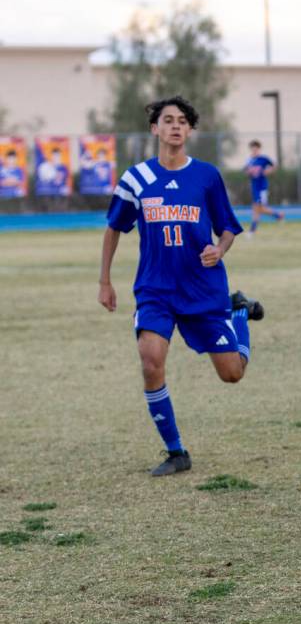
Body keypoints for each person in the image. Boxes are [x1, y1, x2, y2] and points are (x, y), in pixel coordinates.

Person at [98, 95, 264, 476]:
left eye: (182, 121)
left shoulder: (206, 176)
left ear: (189, 130)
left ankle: (238, 311)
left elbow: (227, 228)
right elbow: (113, 228)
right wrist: (105, 280)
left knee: (232, 374)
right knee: (151, 361)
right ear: (154, 128)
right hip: (155, 289)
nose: (175, 126)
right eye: (167, 120)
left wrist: (219, 249)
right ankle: (176, 452)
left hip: (202, 289)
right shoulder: (136, 178)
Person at [245, 140, 283, 237]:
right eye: (252, 148)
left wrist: (269, 170)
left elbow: (274, 165)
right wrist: (249, 172)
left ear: (258, 149)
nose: (254, 150)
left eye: (256, 148)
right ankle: (278, 215)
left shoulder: (263, 159)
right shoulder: (249, 160)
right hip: (254, 188)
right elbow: (246, 171)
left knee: (257, 209)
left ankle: (252, 231)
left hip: (262, 188)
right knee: (258, 209)